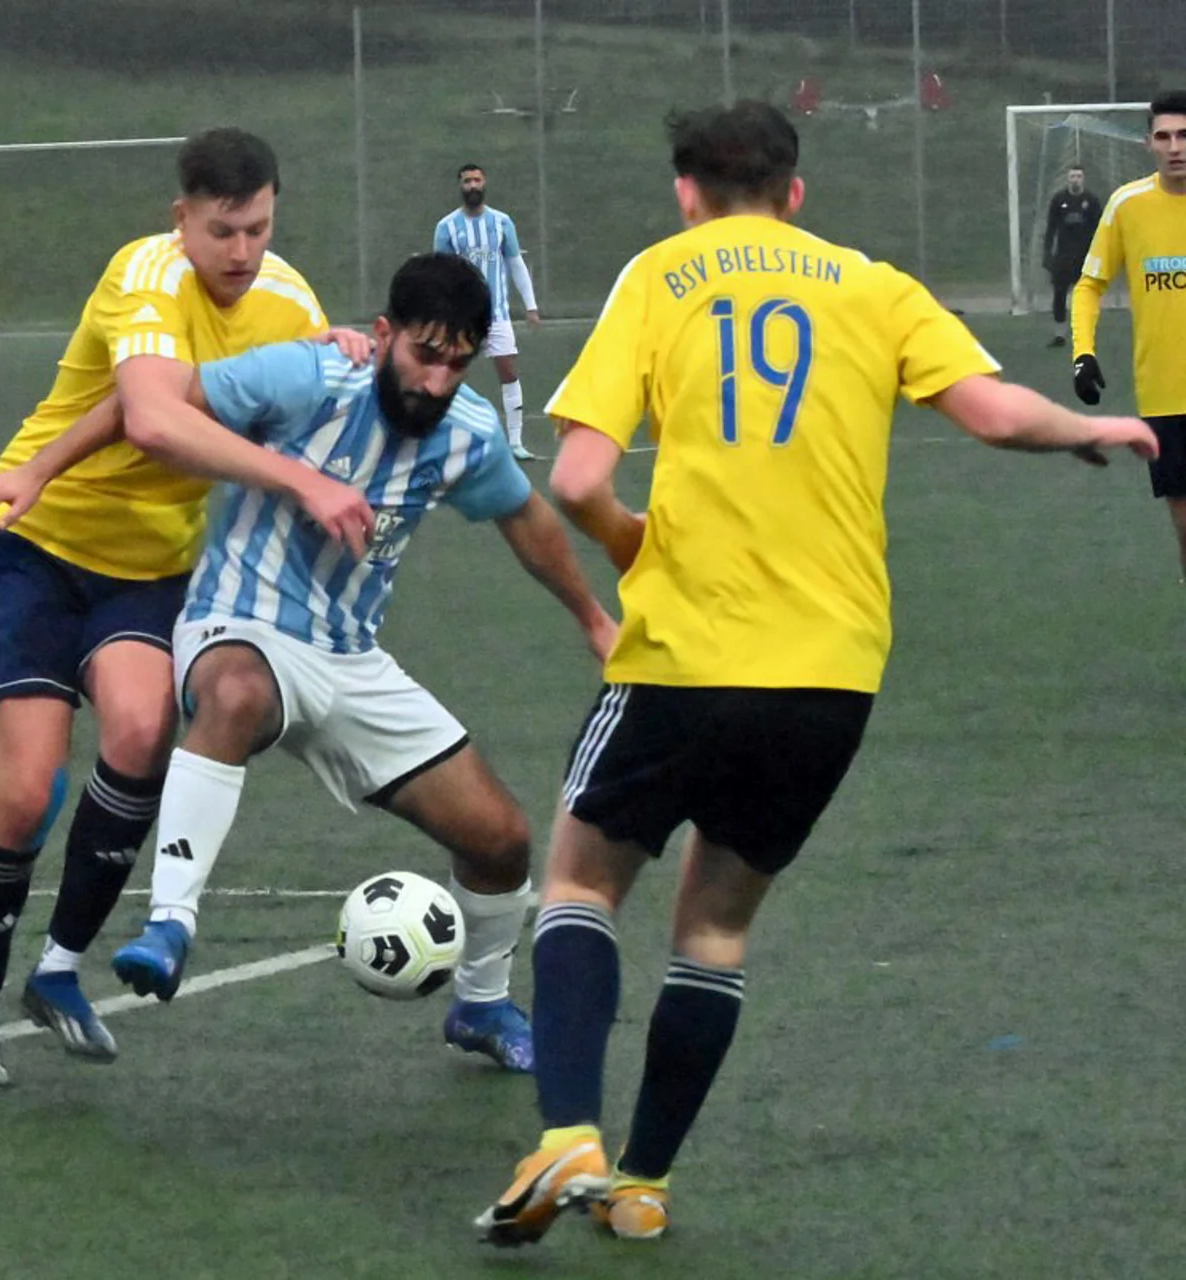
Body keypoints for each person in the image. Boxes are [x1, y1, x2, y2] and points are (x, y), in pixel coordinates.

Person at [473, 100, 1155, 1250]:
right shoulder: (870, 285)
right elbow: (993, 413)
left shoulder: (661, 274)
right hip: (830, 671)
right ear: (796, 192)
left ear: (686, 191)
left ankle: (568, 1132)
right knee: (718, 928)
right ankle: (644, 1183)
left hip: (688, 653)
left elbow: (580, 472)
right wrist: (1096, 429)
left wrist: (636, 539)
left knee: (583, 882)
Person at [88, 253, 615, 1070]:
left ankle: (480, 1006)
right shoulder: (309, 377)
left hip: (349, 658)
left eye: (456, 362)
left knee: (501, 839)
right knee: (233, 695)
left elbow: (529, 519)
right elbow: (162, 405)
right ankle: (169, 924)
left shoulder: (467, 434)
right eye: (424, 353)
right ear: (384, 334)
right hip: (239, 621)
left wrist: (593, 620)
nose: (438, 380)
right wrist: (297, 479)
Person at [0, 127, 376, 1091]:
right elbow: (149, 413)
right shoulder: (144, 275)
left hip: (152, 573)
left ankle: (56, 973)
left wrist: (344, 360)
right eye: (221, 229)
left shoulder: (289, 301)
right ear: (179, 217)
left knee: (142, 733)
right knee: (22, 796)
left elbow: (296, 405)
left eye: (258, 228)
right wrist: (298, 482)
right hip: (37, 548)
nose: (240, 251)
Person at [1071, 91, 1186, 584]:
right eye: (1164, 136)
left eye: (1184, 135)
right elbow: (1089, 285)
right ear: (1148, 144)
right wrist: (1083, 354)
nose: (1175, 146)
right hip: (1164, 395)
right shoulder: (1127, 205)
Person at [434, 164, 542, 460]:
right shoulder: (447, 227)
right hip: (462, 318)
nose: (472, 185)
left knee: (508, 372)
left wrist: (530, 306)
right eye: (466, 181)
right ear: (460, 186)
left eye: (476, 179)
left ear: (484, 183)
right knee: (451, 375)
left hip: (498, 316)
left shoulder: (502, 223)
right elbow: (440, 273)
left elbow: (515, 265)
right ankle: (447, 443)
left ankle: (516, 442)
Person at [1041, 165, 1101, 348]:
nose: (1075, 179)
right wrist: (1047, 252)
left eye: (1079, 176)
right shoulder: (1059, 200)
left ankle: (1085, 335)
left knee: (1084, 297)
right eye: (1072, 176)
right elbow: (1051, 228)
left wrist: (1098, 254)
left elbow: (1100, 230)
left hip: (1084, 257)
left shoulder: (1091, 201)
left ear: (1083, 179)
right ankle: (1059, 335)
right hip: (1063, 257)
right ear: (1068, 179)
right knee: (1059, 295)